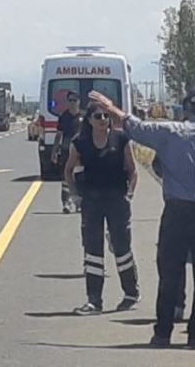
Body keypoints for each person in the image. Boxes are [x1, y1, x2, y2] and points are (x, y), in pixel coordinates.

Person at [89, 86, 195, 348]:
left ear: (186, 108)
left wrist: (111, 108)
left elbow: (134, 126)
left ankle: (163, 332)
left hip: (177, 212)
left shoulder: (169, 133)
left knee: (170, 272)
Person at [64, 104, 140, 316]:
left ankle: (131, 294)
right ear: (89, 120)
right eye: (98, 116)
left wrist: (130, 194)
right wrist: (75, 194)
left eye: (106, 116)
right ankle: (94, 301)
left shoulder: (121, 139)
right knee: (93, 250)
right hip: (92, 202)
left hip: (117, 200)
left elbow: (133, 171)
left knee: (121, 246)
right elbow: (68, 170)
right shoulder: (80, 143)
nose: (103, 119)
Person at [51, 90, 82, 214]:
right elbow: (59, 135)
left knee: (80, 177)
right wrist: (54, 151)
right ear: (67, 102)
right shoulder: (63, 117)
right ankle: (66, 203)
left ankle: (79, 203)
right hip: (66, 150)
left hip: (81, 152)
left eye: (75, 100)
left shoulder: (84, 117)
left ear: (79, 101)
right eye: (70, 100)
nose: (73, 103)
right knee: (65, 178)